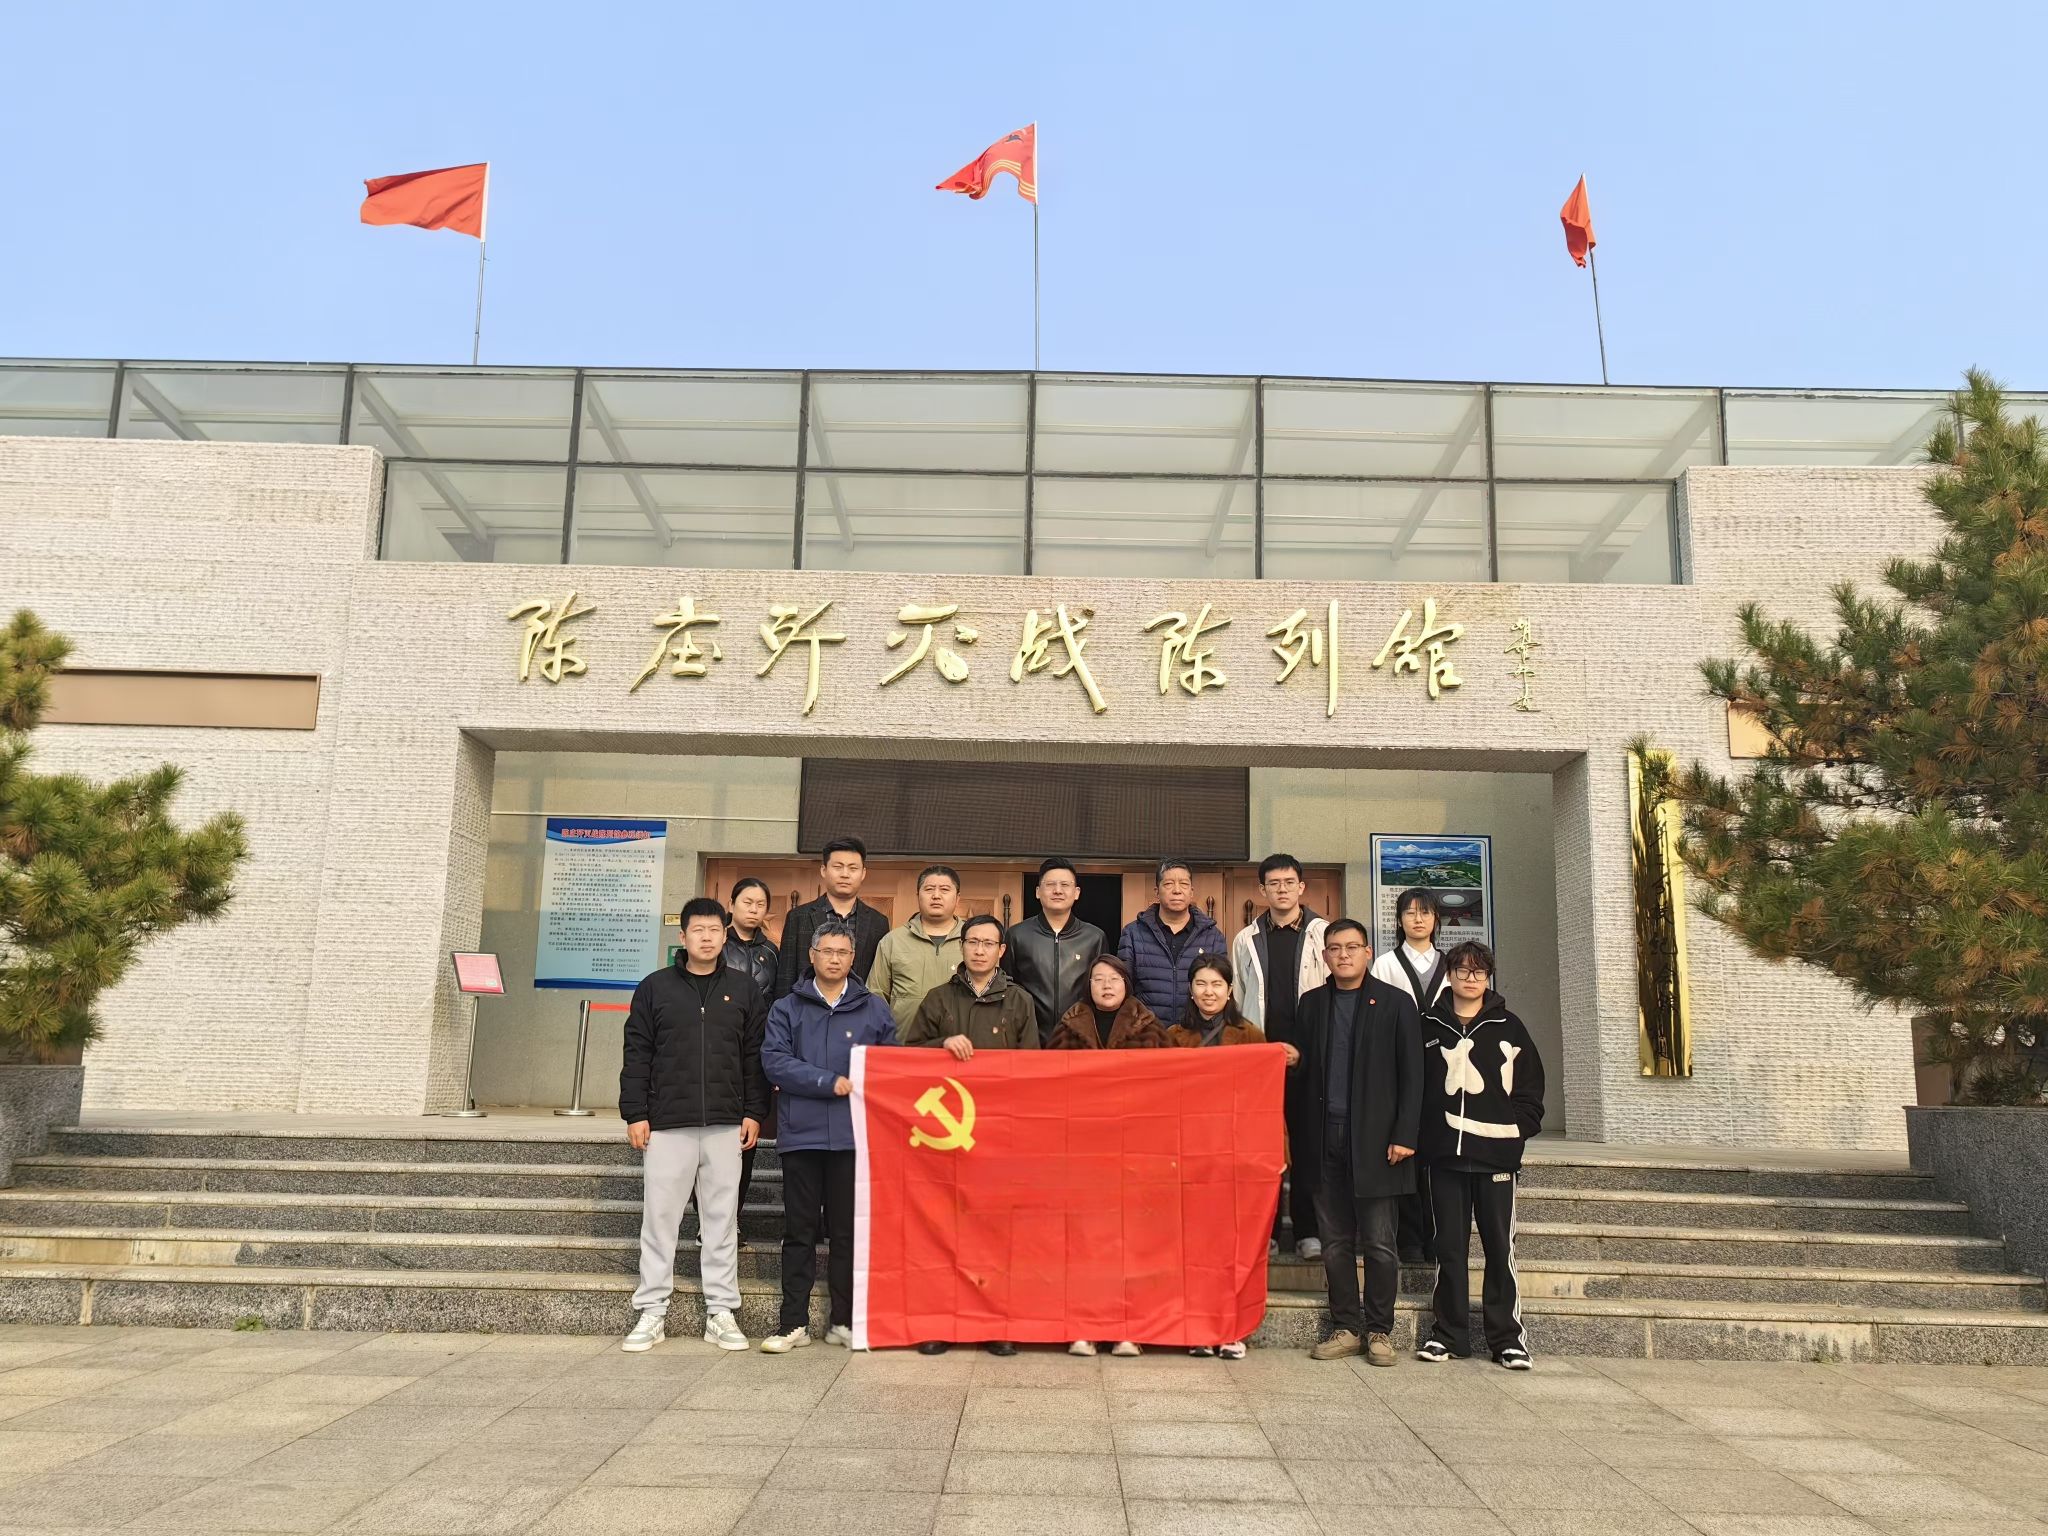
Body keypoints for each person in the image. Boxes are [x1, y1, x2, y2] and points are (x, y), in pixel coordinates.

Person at [618, 897, 765, 1355]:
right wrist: (635, 1113)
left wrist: (754, 1111)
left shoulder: (743, 989)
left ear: (725, 936)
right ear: (683, 936)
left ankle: (721, 1312)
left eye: (714, 930)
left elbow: (754, 1057)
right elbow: (637, 1053)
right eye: (698, 930)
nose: (707, 937)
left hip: (725, 1123)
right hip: (667, 1123)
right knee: (660, 1219)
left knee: (721, 1222)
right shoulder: (655, 988)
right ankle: (652, 1310)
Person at [901, 913, 1039, 1356]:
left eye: (988, 944)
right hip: (947, 1136)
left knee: (994, 1232)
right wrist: (940, 1046)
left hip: (998, 1135)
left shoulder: (1019, 1002)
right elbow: (908, 1058)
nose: (980, 950)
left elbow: (1031, 1070)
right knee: (944, 1231)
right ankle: (941, 1321)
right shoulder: (939, 998)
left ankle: (996, 1322)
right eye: (973, 942)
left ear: (1002, 951)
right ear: (961, 947)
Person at [758, 919, 898, 1353]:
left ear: (853, 959)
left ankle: (844, 1321)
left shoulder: (874, 1008)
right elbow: (775, 1062)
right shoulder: (787, 1008)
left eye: (842, 953)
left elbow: (891, 1065)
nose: (834, 959)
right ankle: (792, 1323)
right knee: (799, 1231)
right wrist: (826, 1081)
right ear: (812, 955)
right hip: (802, 1135)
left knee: (846, 1233)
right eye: (827, 951)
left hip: (854, 1137)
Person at [1294, 918, 1422, 1368]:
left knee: (1381, 1243)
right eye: (1335, 948)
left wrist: (1405, 1134)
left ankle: (1380, 1330)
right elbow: (1303, 1074)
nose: (1343, 955)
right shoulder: (1311, 1003)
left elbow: (1414, 1074)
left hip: (1377, 1141)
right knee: (1334, 1243)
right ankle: (1346, 1327)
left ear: (1368, 952)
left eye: (1352, 947)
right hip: (1324, 1137)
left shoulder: (1395, 1003)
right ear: (1324, 956)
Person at [1417, 941, 1545, 1371]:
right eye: (1462, 970)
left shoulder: (1510, 1026)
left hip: (1496, 1158)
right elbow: (1413, 1086)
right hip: (1445, 1159)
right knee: (1449, 1250)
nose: (1470, 979)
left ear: (1488, 977)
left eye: (1479, 972)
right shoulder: (1429, 1024)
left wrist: (1515, 1130)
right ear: (1449, 974)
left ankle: (1507, 1340)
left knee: (1499, 1249)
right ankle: (1448, 1335)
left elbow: (1530, 1089)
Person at [1166, 952, 1300, 1361]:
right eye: (1201, 984)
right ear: (1190, 989)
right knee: (1192, 1247)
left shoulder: (1250, 1035)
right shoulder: (1174, 1036)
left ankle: (1231, 1329)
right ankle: (1196, 1326)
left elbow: (1266, 1097)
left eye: (1216, 985)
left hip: (1237, 1154)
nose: (1208, 992)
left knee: (1235, 1246)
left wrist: (1276, 1147)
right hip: (1191, 1152)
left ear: (1229, 991)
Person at [1046, 954, 1169, 1360]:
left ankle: (1128, 1329)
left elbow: (1170, 1085)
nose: (1106, 985)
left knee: (1131, 1242)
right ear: (1088, 985)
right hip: (1082, 1153)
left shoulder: (1149, 1028)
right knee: (1084, 1243)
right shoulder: (1069, 1026)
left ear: (1127, 984)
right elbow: (1047, 1086)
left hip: (1133, 1151)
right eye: (1098, 979)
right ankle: (1083, 1327)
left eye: (1114, 978)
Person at [1229, 854, 1331, 1262]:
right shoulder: (1245, 938)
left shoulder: (1323, 934)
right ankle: (1266, 1232)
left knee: (1307, 1146)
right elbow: (1239, 998)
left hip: (1309, 1059)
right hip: (1261, 1061)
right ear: (1262, 890)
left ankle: (1308, 1231)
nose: (1282, 889)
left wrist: (1306, 1051)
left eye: (1289, 882)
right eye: (1274, 883)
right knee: (1264, 1149)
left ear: (1301, 887)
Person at [1369, 888, 1450, 1265]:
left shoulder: (1451, 965)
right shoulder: (1385, 964)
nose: (1418, 919)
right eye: (1410, 913)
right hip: (1397, 1066)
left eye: (1426, 912)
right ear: (1399, 920)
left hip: (1444, 1067)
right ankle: (1409, 1238)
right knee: (1404, 1151)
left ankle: (1438, 1238)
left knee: (1437, 1154)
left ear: (1436, 919)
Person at [725, 875, 781, 1228]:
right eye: (747, 902)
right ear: (731, 904)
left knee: (746, 1144)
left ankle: (733, 1218)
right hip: (718, 1052)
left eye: (761, 905)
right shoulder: (716, 943)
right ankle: (710, 1220)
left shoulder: (772, 952)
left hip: (755, 1055)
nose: (753, 909)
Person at [775, 836, 890, 995]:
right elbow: (785, 977)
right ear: (824, 870)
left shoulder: (878, 922)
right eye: (838, 867)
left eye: (853, 868)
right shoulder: (798, 917)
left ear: (863, 873)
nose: (845, 874)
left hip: (860, 1008)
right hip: (807, 1007)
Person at [1007, 857, 1107, 1037]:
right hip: (1029, 1038)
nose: (1058, 890)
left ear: (1076, 892)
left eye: (1065, 885)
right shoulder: (1017, 935)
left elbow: (1101, 989)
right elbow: (1008, 989)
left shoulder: (1094, 937)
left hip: (1079, 1038)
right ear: (1038, 892)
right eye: (1050, 884)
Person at [1119, 859, 1225, 1025]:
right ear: (1157, 891)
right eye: (1168, 884)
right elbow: (1123, 990)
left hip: (1197, 1033)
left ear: (1191, 892)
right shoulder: (1133, 934)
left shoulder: (1212, 937)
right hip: (1147, 1033)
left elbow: (1221, 989)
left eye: (1184, 884)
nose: (1177, 890)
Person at [867, 864, 968, 1033]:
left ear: (957, 898)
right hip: (903, 1043)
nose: (936, 896)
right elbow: (875, 996)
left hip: (961, 1044)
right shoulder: (893, 941)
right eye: (929, 889)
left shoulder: (973, 941)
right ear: (918, 896)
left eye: (944, 890)